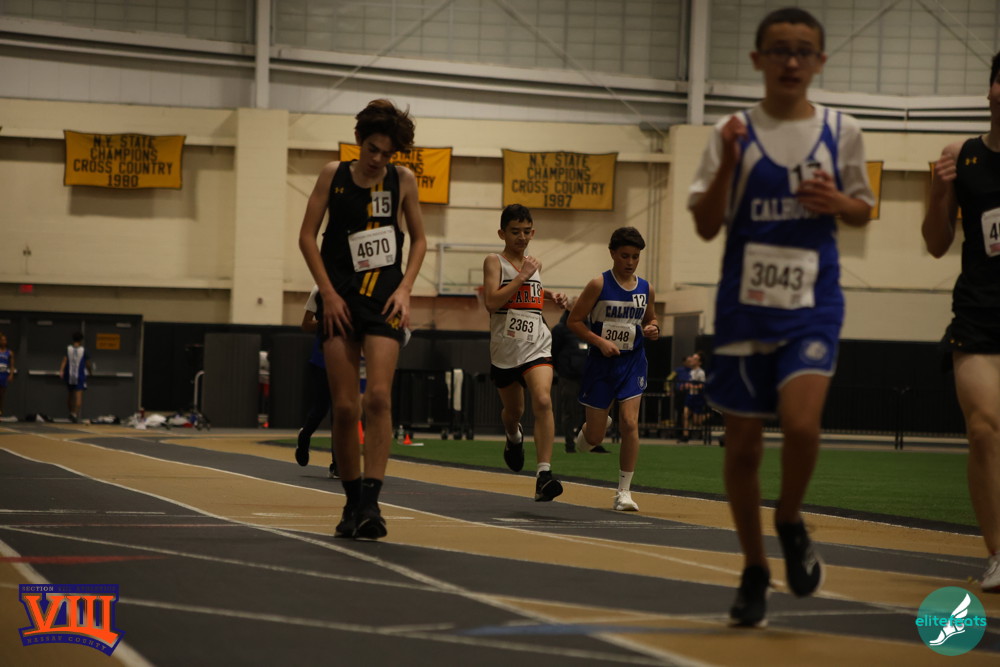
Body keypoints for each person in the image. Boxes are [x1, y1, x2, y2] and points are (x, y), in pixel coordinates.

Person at [688, 7, 874, 627]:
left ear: (819, 61)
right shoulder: (733, 132)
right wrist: (729, 161)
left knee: (801, 425)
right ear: (758, 59)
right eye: (779, 50)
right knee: (742, 449)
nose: (791, 61)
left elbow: (863, 209)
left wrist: (838, 200)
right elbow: (706, 224)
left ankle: (789, 517)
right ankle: (753, 569)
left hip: (812, 304)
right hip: (745, 307)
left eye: (803, 51)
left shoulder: (842, 131)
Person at [298, 99, 427, 540]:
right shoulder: (332, 175)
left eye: (386, 154)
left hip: (384, 299)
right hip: (339, 299)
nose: (377, 160)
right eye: (372, 149)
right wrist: (327, 294)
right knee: (344, 405)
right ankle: (351, 502)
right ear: (358, 141)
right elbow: (306, 237)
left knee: (378, 398)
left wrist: (405, 289)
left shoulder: (401, 180)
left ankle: (372, 501)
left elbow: (419, 240)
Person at [921, 50, 1000, 594]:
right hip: (978, 315)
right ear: (991, 90)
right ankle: (997, 553)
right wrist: (938, 192)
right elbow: (935, 243)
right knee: (983, 429)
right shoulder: (962, 156)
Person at [568, 227, 659, 511]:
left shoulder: (646, 288)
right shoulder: (598, 284)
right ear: (612, 254)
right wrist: (599, 341)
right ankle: (590, 432)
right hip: (601, 364)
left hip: (633, 362)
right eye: (624, 256)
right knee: (594, 438)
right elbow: (574, 321)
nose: (630, 262)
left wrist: (653, 328)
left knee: (630, 423)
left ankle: (624, 492)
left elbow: (652, 319)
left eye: (635, 257)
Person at [482, 203, 566, 502]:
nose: (521, 237)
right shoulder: (494, 262)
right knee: (513, 412)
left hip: (536, 344)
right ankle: (513, 437)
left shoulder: (534, 264)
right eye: (515, 232)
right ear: (502, 233)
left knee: (542, 400)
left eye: (526, 231)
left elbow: (530, 292)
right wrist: (522, 277)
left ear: (533, 232)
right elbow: (492, 302)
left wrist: (550, 295)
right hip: (505, 349)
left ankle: (544, 475)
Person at [295, 285, 338, 479]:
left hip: (348, 357)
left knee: (342, 411)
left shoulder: (359, 286)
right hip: (322, 358)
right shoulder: (319, 289)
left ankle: (337, 464)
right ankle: (305, 435)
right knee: (321, 407)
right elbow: (306, 325)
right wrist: (327, 322)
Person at [551, 297, 589, 452]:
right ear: (569, 308)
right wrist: (562, 370)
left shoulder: (589, 327)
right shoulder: (560, 329)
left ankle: (587, 443)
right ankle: (569, 443)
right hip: (568, 377)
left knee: (588, 411)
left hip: (587, 376)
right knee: (569, 410)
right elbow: (553, 353)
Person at [59, 331, 92, 423]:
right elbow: (88, 363)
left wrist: (61, 371)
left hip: (69, 374)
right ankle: (75, 414)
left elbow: (64, 360)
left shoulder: (68, 349)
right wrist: (90, 372)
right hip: (80, 375)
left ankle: (71, 412)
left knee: (70, 395)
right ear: (81, 340)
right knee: (78, 395)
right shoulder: (84, 350)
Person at [681, 352, 708, 442]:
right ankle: (685, 435)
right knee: (685, 415)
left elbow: (702, 385)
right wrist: (685, 385)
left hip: (698, 397)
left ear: (699, 362)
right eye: (693, 358)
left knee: (697, 421)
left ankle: (707, 416)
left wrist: (692, 386)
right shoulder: (691, 371)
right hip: (690, 396)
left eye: (695, 359)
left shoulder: (701, 372)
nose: (692, 360)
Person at [667, 354, 693, 439]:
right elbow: (669, 379)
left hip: (690, 394)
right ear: (684, 362)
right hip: (680, 394)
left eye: (691, 361)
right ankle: (679, 432)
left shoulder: (693, 371)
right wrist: (668, 390)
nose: (690, 363)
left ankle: (688, 433)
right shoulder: (678, 370)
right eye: (689, 361)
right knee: (680, 413)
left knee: (689, 414)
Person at [0, 332, 13, 418]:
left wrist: (11, 374)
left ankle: (0, 413)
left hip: (4, 375)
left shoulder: (9, 352)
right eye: (2, 340)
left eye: (5, 340)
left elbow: (12, 365)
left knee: (1, 395)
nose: (3, 341)